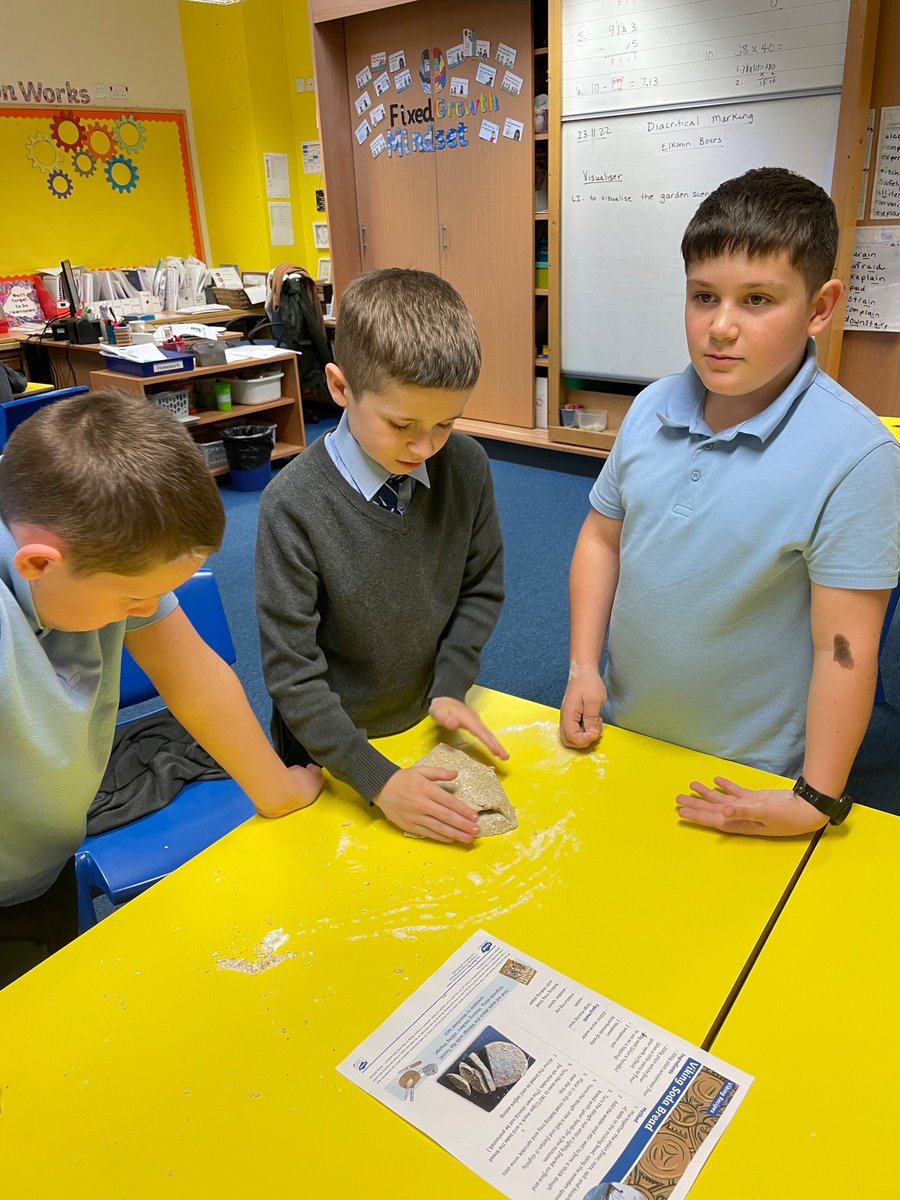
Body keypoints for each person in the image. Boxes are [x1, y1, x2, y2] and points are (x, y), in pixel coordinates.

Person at [559, 167, 900, 836]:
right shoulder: (652, 407)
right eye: (704, 296)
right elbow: (602, 540)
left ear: (820, 308)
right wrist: (581, 666)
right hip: (628, 733)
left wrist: (815, 797)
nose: (720, 327)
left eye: (757, 301)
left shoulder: (857, 456)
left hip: (747, 774)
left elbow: (845, 646)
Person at [0, 392, 323, 988]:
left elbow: (193, 675)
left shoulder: (99, 550)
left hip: (38, 869)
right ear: (39, 564)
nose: (146, 612)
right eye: (132, 601)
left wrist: (276, 791)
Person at [256, 267, 506, 845]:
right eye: (401, 425)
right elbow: (292, 672)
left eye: (445, 423)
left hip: (424, 723)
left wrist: (450, 683)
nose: (425, 447)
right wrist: (376, 781)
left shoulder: (466, 467)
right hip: (331, 751)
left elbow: (481, 588)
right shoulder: (291, 505)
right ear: (341, 389)